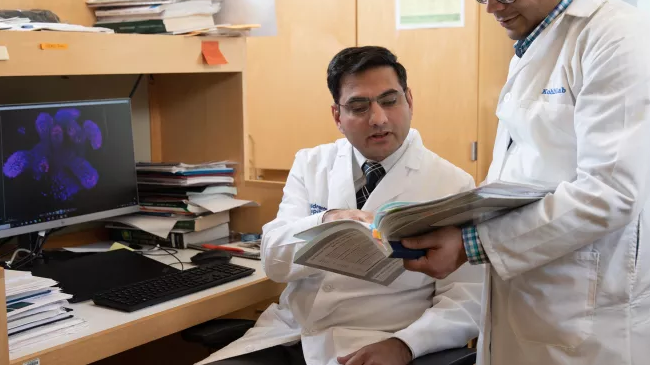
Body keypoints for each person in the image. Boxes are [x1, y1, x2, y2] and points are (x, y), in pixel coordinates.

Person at [400, 0, 650, 365]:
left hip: (598, 330)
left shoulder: (622, 41)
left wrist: (475, 243)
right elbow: (528, 173)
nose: (491, 7)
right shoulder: (540, 42)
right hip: (539, 311)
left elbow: (610, 194)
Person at [195, 46, 483, 365]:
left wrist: (405, 345)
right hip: (290, 334)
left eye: (390, 101)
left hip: (378, 343)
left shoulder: (452, 184)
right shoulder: (311, 164)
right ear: (338, 116)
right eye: (359, 107)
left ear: (409, 100)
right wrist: (327, 221)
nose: (378, 119)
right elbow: (274, 259)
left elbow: (466, 299)